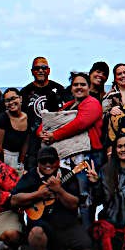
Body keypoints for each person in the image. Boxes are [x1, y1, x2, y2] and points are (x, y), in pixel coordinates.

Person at [11, 146, 90, 250]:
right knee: (36, 233)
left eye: (51, 161)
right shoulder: (31, 176)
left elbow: (74, 204)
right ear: (38, 163)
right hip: (40, 223)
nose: (48, 165)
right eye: (43, 162)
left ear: (58, 161)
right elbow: (14, 200)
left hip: (65, 224)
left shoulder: (67, 175)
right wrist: (37, 194)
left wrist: (59, 190)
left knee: (86, 246)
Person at [37, 72, 104, 228]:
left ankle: (87, 234)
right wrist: (41, 132)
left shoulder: (92, 103)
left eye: (83, 84)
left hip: (89, 155)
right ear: (71, 88)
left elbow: (80, 123)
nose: (79, 87)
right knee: (68, 193)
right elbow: (50, 120)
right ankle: (71, 232)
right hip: (68, 156)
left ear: (89, 87)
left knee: (85, 196)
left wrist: (54, 135)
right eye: (76, 85)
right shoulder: (69, 105)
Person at [20, 56, 66, 173]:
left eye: (44, 68)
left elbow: (66, 114)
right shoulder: (25, 92)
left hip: (55, 141)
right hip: (32, 145)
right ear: (32, 71)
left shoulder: (59, 89)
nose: (40, 70)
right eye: (37, 68)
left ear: (49, 71)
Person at [0, 88, 28, 172]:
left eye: (13, 98)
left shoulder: (28, 117)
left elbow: (26, 141)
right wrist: (2, 166)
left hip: (20, 158)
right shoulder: (2, 118)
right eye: (7, 100)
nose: (11, 102)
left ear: (20, 99)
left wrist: (21, 162)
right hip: (5, 157)